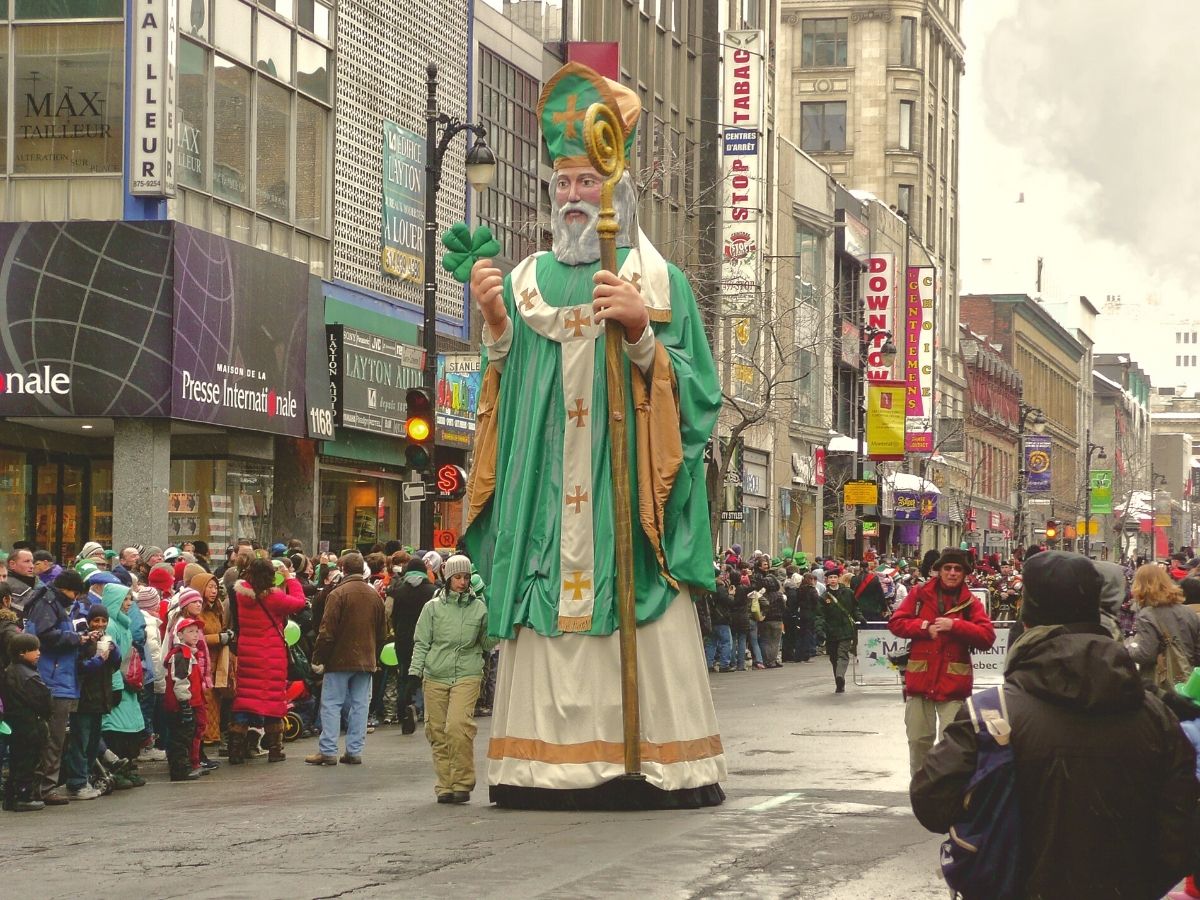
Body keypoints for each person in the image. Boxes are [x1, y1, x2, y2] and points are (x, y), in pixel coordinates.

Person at [463, 61, 726, 809]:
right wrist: (496, 333)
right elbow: (507, 404)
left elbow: (699, 396)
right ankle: (540, 767)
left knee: (634, 600)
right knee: (548, 612)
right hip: (548, 504)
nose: (576, 198)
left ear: (619, 188)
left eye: (589, 182)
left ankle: (650, 761)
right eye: (564, 185)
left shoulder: (657, 279)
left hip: (626, 510)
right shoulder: (524, 283)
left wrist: (644, 338)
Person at [911, 551, 1199, 899]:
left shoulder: (992, 714)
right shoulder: (1156, 715)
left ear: (1027, 623)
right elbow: (1182, 831)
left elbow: (931, 802)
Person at [888, 548, 995, 776]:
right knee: (918, 741)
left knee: (951, 746)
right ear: (938, 570)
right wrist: (924, 627)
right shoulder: (919, 594)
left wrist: (955, 626)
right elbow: (896, 623)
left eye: (958, 569)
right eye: (947, 568)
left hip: (953, 686)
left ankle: (946, 793)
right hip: (920, 682)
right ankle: (921, 790)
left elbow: (987, 637)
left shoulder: (971, 603)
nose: (953, 573)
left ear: (965, 573)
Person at [408, 555, 496, 804]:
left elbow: (487, 643)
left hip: (467, 673)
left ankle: (463, 781)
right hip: (435, 674)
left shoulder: (479, 608)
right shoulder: (432, 608)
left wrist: (498, 625)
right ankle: (445, 784)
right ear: (448, 578)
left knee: (457, 727)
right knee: (436, 731)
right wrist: (414, 673)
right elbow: (422, 643)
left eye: (466, 577)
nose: (462, 581)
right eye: (458, 577)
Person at [306, 552, 386, 766]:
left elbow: (327, 631)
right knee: (360, 705)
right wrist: (374, 656)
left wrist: (318, 658)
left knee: (332, 703)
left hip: (339, 658)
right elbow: (382, 632)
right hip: (366, 658)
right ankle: (354, 750)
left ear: (344, 570)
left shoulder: (338, 594)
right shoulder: (374, 596)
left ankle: (329, 750)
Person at [229, 558, 305, 764]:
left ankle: (235, 749)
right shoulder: (274, 598)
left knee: (245, 698)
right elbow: (299, 602)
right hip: (271, 655)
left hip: (247, 651)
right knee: (272, 699)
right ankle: (275, 749)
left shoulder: (241, 594)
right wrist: (289, 579)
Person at [23, 570, 87, 805]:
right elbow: (45, 635)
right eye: (74, 592)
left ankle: (42, 786)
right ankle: (44, 787)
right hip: (53, 678)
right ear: (65, 589)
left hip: (58, 677)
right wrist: (76, 639)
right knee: (52, 737)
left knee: (54, 737)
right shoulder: (49, 604)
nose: (75, 597)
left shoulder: (51, 602)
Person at [62, 604, 120, 800]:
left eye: (103, 621)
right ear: (89, 621)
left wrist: (113, 650)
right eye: (96, 621)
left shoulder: (105, 639)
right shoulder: (83, 641)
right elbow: (79, 668)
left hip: (99, 699)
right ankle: (77, 782)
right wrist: (98, 659)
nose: (100, 625)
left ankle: (85, 777)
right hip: (83, 699)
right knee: (80, 741)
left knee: (93, 741)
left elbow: (115, 666)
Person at [1125, 563, 1200, 687]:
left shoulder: (1147, 615)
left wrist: (1129, 646)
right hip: (1189, 681)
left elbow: (1145, 654)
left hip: (1161, 682)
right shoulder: (1189, 612)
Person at [1, 634, 50, 811]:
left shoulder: (10, 671)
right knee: (28, 760)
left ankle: (10, 797)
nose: (38, 653)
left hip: (16, 723)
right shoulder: (27, 675)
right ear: (22, 653)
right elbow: (43, 700)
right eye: (34, 650)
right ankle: (23, 796)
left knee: (17, 759)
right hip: (29, 724)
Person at [389, 555, 436, 734]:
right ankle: (422, 709)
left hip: (403, 641)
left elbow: (389, 614)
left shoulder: (396, 591)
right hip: (427, 641)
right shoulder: (433, 591)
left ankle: (404, 711)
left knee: (404, 676)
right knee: (427, 676)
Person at [164, 617, 206, 781]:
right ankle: (180, 770)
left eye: (196, 631)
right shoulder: (182, 655)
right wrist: (185, 704)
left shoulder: (189, 654)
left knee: (187, 736)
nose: (195, 635)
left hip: (188, 703)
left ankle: (187, 765)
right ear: (180, 635)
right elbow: (180, 680)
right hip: (181, 705)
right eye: (190, 631)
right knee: (180, 739)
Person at [819, 569, 862, 693]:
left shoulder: (848, 593)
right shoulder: (823, 597)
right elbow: (819, 615)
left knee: (842, 654)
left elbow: (855, 608)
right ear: (827, 580)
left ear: (838, 578)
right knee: (833, 657)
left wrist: (859, 617)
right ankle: (839, 682)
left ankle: (840, 676)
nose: (833, 579)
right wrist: (820, 630)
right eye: (830, 577)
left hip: (846, 630)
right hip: (831, 631)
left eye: (835, 577)